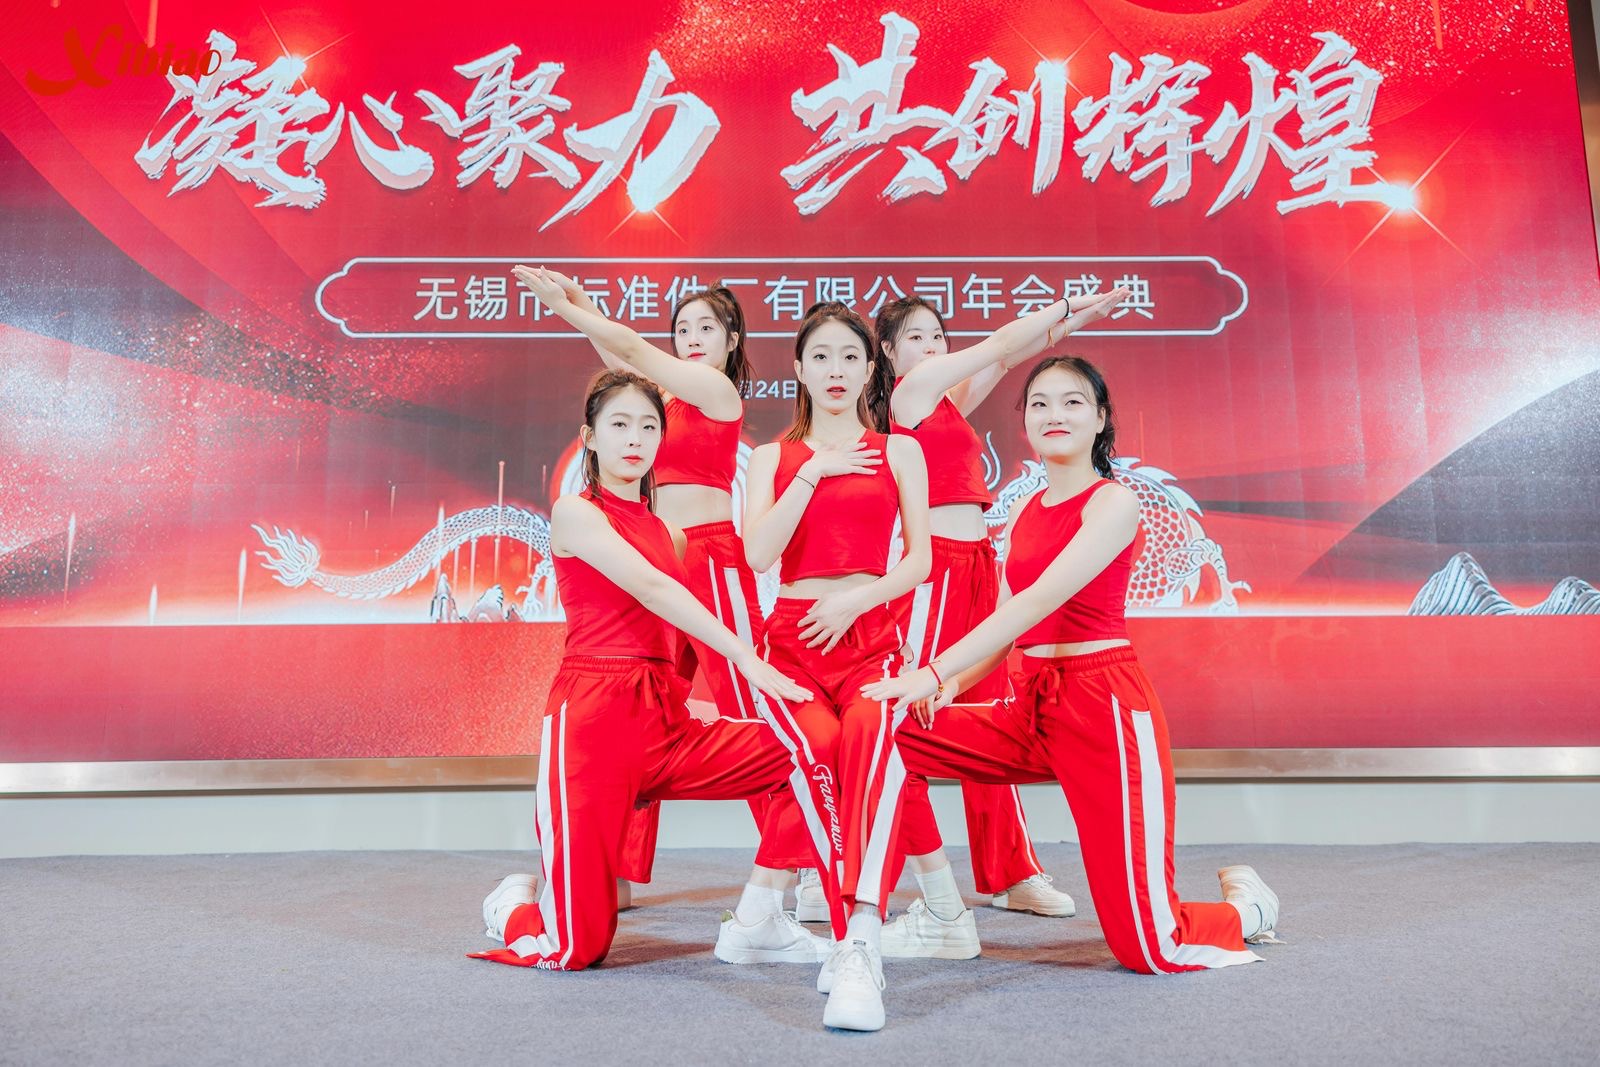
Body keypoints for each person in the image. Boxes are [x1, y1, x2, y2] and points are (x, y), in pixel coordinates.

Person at [863, 356, 1281, 975]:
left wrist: (931, 672)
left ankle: (1248, 908)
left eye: (1072, 402)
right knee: (888, 731)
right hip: (1029, 707)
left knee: (1151, 948)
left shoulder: (1113, 503)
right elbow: (1004, 628)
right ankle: (942, 911)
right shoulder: (1025, 512)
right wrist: (949, 688)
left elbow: (1038, 600)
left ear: (1101, 418)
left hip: (1103, 712)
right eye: (1039, 403)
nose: (1053, 414)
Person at [471, 369, 816, 971]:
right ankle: (514, 905)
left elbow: (671, 625)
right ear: (590, 437)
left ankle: (761, 914)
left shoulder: (668, 534)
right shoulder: (575, 513)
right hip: (592, 722)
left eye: (649, 426)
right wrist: (745, 657)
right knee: (577, 949)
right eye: (620, 424)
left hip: (663, 721)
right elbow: (653, 590)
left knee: (807, 750)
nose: (635, 438)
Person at [863, 287, 1129, 962]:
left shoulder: (945, 404)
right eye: (915, 337)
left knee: (988, 713)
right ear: (888, 352)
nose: (932, 346)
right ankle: (880, 884)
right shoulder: (912, 395)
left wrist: (1073, 324)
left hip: (979, 562)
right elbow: (1002, 344)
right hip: (936, 573)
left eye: (937, 335)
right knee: (911, 718)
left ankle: (1010, 872)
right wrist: (1065, 308)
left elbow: (1008, 359)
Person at [512, 268, 784, 920]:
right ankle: (616, 869)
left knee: (753, 707)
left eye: (706, 327)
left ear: (732, 340)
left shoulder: (716, 390)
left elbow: (629, 348)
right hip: (657, 554)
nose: (692, 338)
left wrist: (564, 309)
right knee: (648, 709)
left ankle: (787, 865)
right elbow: (622, 360)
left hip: (712, 559)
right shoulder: (657, 402)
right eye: (682, 328)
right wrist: (581, 301)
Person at [740, 301, 931, 1030]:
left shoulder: (898, 451)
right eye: (820, 356)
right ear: (798, 368)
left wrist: (856, 601)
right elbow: (760, 554)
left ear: (871, 366)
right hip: (793, 640)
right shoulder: (773, 458)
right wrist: (812, 472)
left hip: (870, 635)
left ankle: (856, 930)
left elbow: (918, 560)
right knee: (816, 751)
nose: (836, 370)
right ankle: (844, 933)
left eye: (851, 356)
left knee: (870, 743)